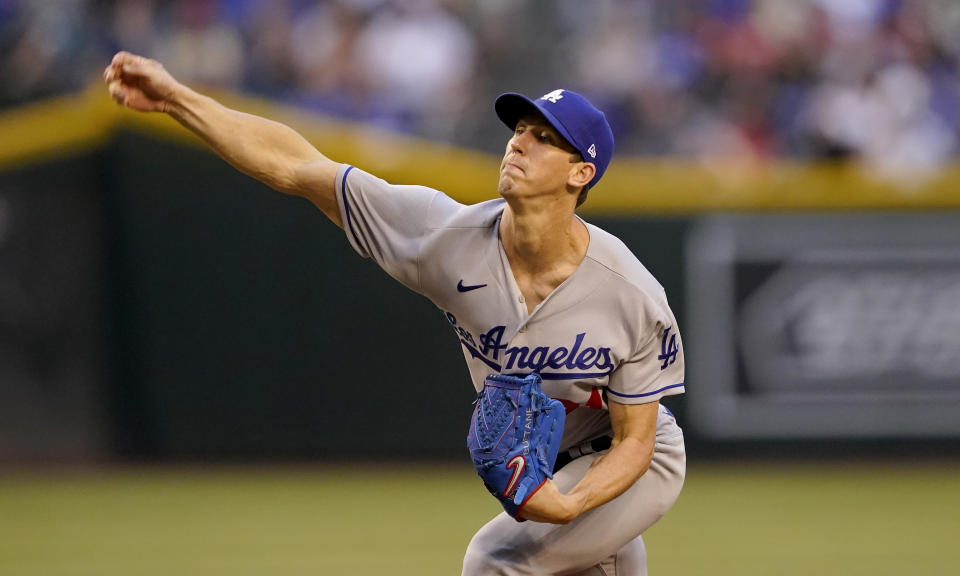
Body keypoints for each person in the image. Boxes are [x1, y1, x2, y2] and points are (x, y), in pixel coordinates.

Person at [104, 51, 686, 575]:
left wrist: (568, 504)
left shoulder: (629, 292)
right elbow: (297, 167)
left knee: (496, 559)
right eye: (520, 129)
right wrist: (178, 99)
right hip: (547, 469)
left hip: (632, 462)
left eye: (543, 137)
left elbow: (635, 440)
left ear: (580, 173)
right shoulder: (442, 236)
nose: (518, 142)